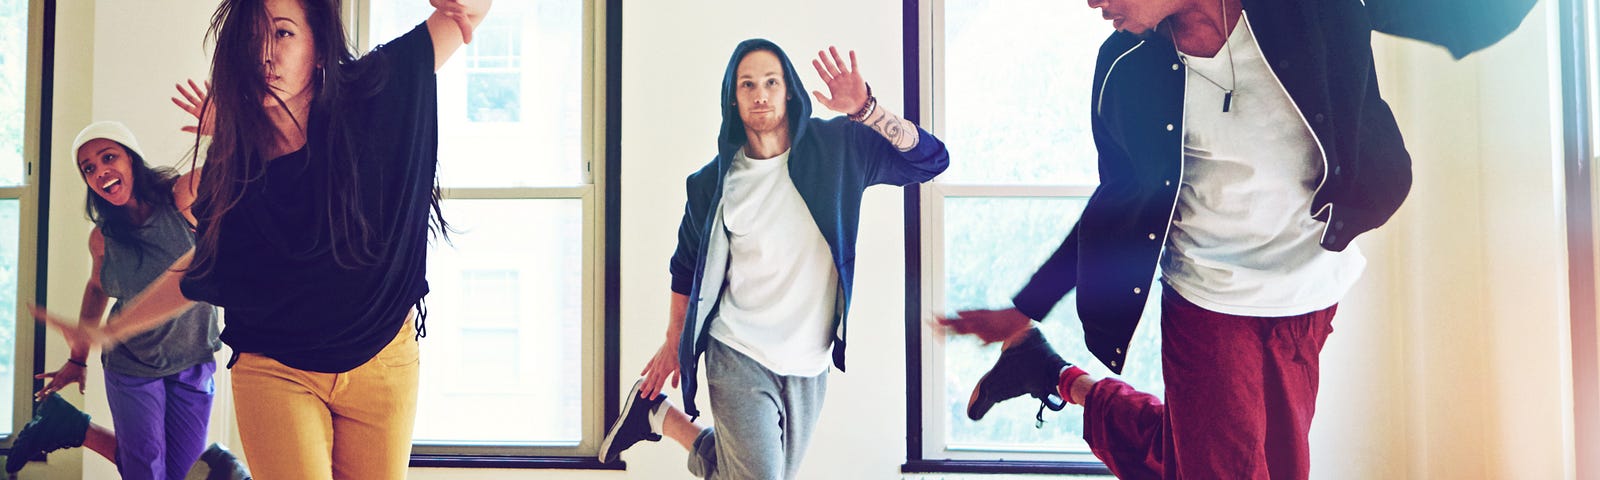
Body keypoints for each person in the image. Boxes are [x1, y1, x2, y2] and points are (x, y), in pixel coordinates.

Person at [939, 0, 1535, 478]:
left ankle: (1056, 378)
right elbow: (1117, 205)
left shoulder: (1310, 10)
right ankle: (1055, 376)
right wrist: (1025, 305)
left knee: (1243, 463)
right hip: (1208, 298)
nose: (1092, 2)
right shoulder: (1123, 67)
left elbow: (1477, 14)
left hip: (1309, 289)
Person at [29, 0, 491, 478]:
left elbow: (468, 15)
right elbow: (200, 267)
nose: (265, 55)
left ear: (317, 48)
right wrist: (106, 332)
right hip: (277, 368)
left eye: (284, 34)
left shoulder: (373, 93)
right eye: (251, 41)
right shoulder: (233, 167)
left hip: (383, 357)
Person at [597, 40, 949, 479]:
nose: (760, 94)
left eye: (770, 82)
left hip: (809, 362)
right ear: (733, 97)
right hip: (738, 350)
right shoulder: (712, 183)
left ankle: (662, 419)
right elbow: (685, 266)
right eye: (748, 85)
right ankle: (662, 418)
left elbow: (932, 161)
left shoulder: (840, 149)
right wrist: (675, 341)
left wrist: (867, 110)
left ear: (789, 91)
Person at [6, 92, 248, 480]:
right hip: (133, 364)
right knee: (146, 471)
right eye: (88, 168)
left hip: (193, 358)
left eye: (108, 157)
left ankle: (71, 427)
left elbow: (230, 175)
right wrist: (77, 358)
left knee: (185, 473)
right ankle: (69, 425)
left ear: (130, 158)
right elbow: (97, 289)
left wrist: (222, 130)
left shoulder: (181, 199)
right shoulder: (103, 238)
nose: (99, 171)